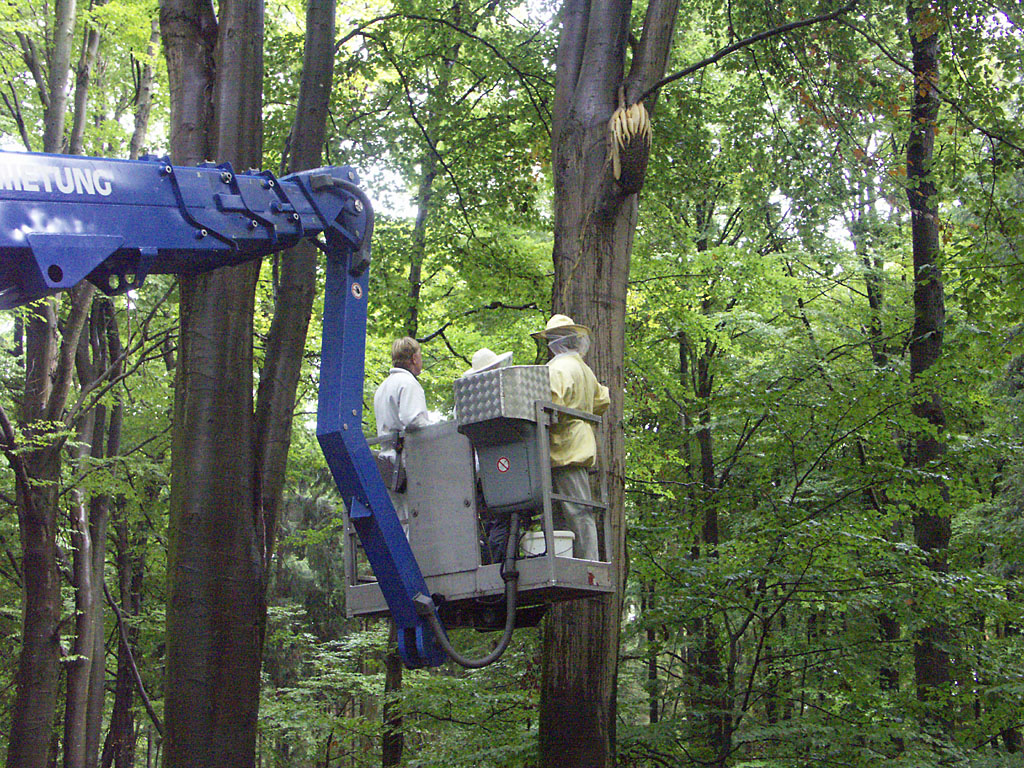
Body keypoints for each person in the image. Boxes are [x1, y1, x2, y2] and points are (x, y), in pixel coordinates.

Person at [531, 314, 610, 560]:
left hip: (563, 446)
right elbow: (602, 401)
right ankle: (568, 558)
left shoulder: (557, 368)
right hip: (578, 443)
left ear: (554, 342)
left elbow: (549, 403)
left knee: (576, 510)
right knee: (565, 510)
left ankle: (587, 561)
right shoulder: (584, 369)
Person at [373, 337, 439, 525]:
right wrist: (438, 430)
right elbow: (413, 419)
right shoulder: (408, 383)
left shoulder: (383, 387)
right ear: (413, 358)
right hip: (406, 461)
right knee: (417, 519)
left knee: (401, 520)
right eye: (420, 355)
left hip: (388, 462)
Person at [460, 347, 514, 564]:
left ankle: (491, 563)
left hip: (478, 474)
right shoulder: (498, 398)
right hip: (500, 470)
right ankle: (500, 565)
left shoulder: (465, 401)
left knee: (490, 522)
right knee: (502, 521)